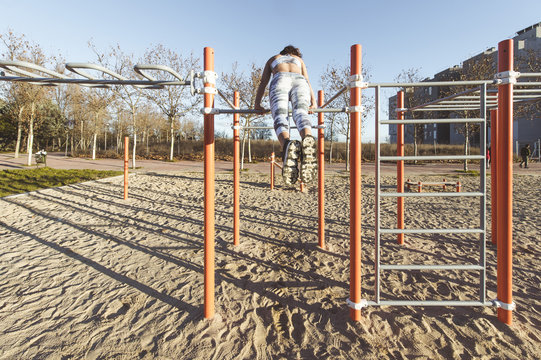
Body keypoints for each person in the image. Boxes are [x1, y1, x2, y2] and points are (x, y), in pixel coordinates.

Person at [254, 45, 317, 186]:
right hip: (300, 82)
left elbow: (263, 82)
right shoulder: (298, 60)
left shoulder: (274, 58)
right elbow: (307, 80)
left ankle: (287, 144)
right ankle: (307, 138)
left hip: (280, 79)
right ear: (294, 53)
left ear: (282, 53)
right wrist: (314, 102)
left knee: (280, 116)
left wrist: (257, 104)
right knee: (301, 113)